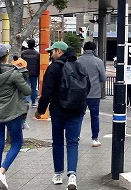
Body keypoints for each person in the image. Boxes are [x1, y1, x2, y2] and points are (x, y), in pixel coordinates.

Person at [35, 41, 85, 190]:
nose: (51, 54)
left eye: (52, 51)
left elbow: (47, 92)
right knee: (72, 142)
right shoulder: (78, 65)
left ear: (59, 51)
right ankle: (72, 176)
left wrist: (40, 111)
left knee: (57, 141)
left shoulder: (54, 68)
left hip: (58, 110)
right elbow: (86, 86)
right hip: (77, 109)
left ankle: (58, 174)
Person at [0, 43, 31, 190]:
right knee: (17, 143)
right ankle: (1, 171)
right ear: (6, 56)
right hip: (12, 113)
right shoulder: (13, 73)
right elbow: (27, 91)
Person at [77, 41, 106, 147]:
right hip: (94, 93)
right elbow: (103, 77)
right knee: (95, 116)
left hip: (80, 93)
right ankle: (95, 138)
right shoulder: (98, 61)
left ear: (84, 49)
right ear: (94, 49)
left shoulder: (78, 60)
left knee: (79, 115)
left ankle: (76, 135)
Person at [11, 55, 30, 130]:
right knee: (25, 105)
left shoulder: (13, 63)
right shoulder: (23, 62)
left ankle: (23, 121)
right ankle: (23, 121)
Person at [21, 39, 40, 107]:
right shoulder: (37, 54)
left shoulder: (23, 54)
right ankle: (34, 102)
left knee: (26, 86)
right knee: (34, 88)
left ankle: (27, 100)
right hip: (35, 73)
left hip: (25, 72)